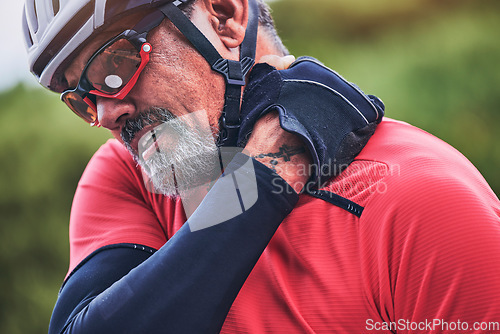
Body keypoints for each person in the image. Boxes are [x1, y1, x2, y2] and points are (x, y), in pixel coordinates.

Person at [23, 0, 500, 333]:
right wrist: (263, 178)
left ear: (225, 16)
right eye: (81, 99)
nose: (105, 114)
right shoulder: (127, 176)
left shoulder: (421, 201)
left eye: (115, 65)